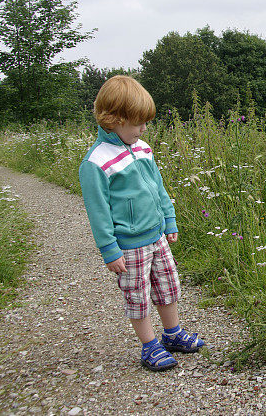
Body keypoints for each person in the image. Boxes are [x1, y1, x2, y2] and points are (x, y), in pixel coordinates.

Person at [79, 75, 205, 371]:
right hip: (129, 244)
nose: (144, 128)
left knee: (168, 285)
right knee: (138, 295)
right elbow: (97, 210)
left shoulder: (143, 148)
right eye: (138, 123)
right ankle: (150, 346)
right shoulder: (96, 162)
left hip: (157, 235)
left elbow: (158, 187)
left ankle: (172, 334)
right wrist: (109, 249)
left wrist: (169, 219)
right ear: (115, 119)